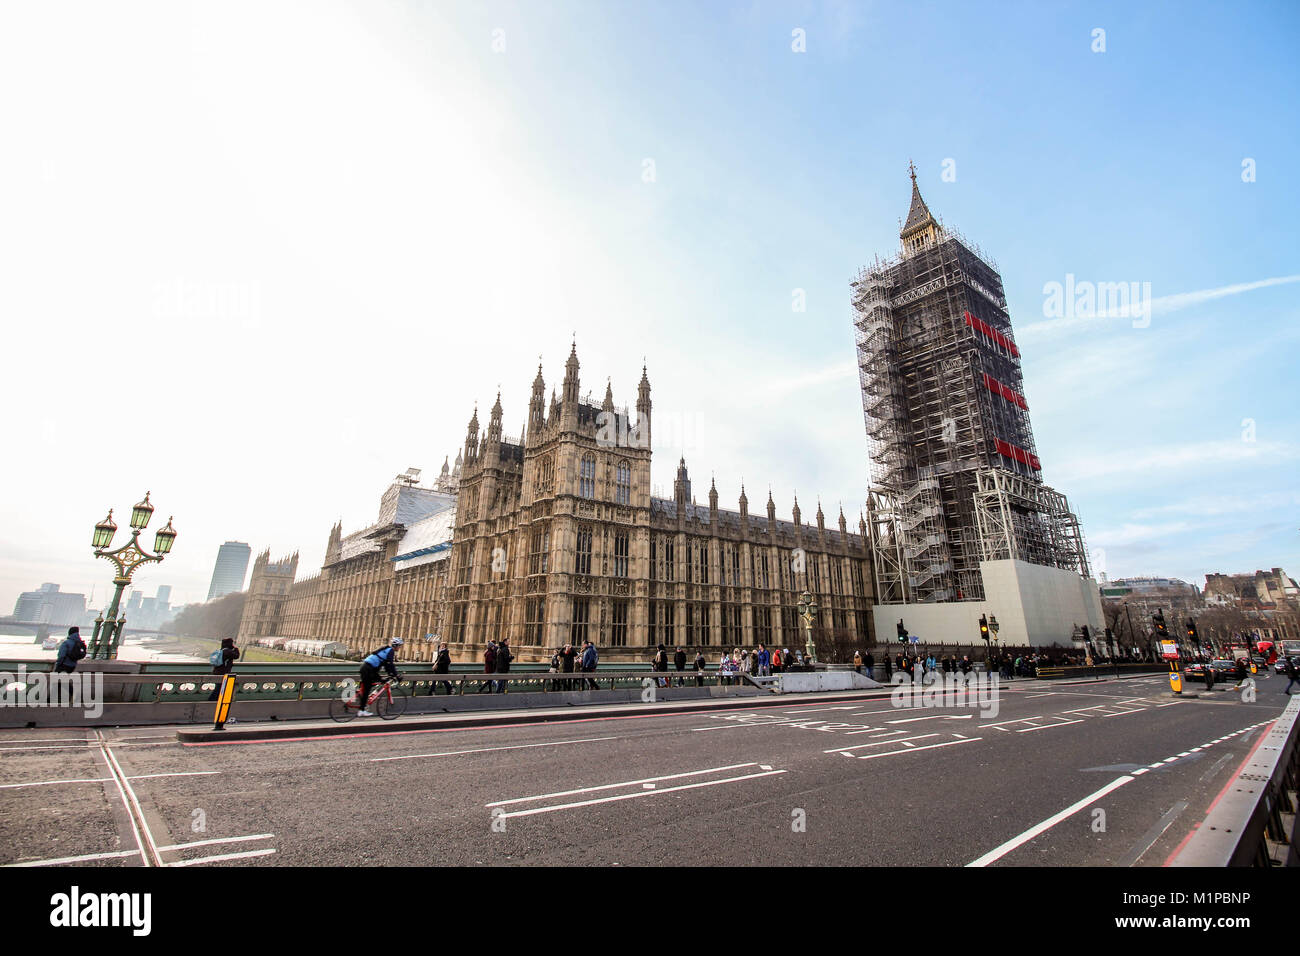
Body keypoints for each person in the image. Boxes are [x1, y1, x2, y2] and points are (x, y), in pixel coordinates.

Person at [357, 637, 403, 716]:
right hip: (369, 669)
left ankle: (364, 700)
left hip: (368, 667)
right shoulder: (390, 651)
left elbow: (386, 665)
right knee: (367, 689)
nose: (400, 648)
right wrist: (396, 675)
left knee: (380, 680)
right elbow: (390, 665)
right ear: (396, 645)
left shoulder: (386, 649)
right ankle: (362, 710)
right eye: (399, 646)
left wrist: (391, 674)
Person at [207, 637, 240, 701]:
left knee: (219, 686)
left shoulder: (221, 650)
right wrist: (236, 648)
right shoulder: (228, 651)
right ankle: (211, 700)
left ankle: (215, 700)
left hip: (216, 671)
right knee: (219, 688)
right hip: (223, 672)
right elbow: (237, 656)